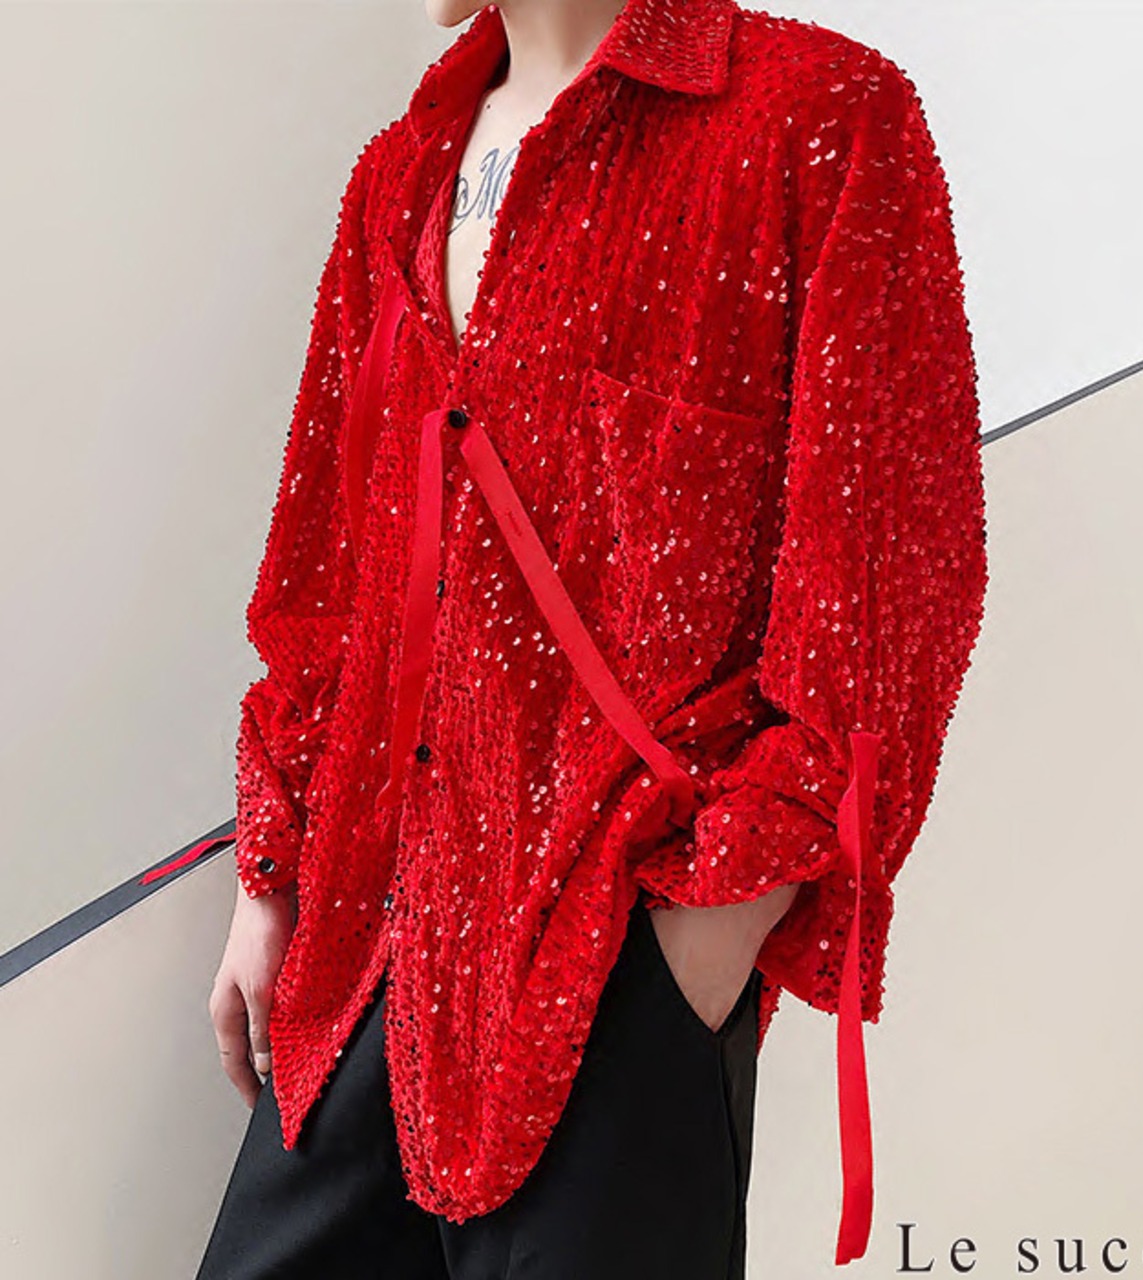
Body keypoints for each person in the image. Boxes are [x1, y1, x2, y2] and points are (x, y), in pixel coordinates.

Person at [198, 0, 988, 1272]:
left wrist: (709, 939)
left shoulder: (817, 120)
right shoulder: (400, 173)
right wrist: (271, 875)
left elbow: (887, 571)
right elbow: (327, 568)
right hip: (364, 946)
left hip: (613, 953)